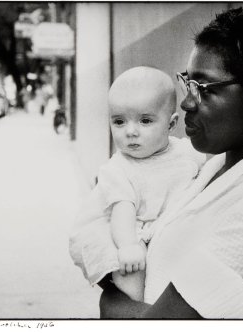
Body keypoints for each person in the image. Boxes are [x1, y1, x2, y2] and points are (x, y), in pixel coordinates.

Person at [69, 6, 243, 319]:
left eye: (204, 88)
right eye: (187, 82)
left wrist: (110, 300)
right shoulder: (214, 165)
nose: (186, 102)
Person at [69, 66, 206, 302]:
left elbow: (202, 179)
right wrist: (128, 245)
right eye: (119, 122)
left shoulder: (186, 152)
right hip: (134, 231)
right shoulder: (118, 169)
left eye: (145, 121)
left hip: (174, 227)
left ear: (171, 124)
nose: (130, 132)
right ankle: (137, 309)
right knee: (130, 271)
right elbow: (123, 210)